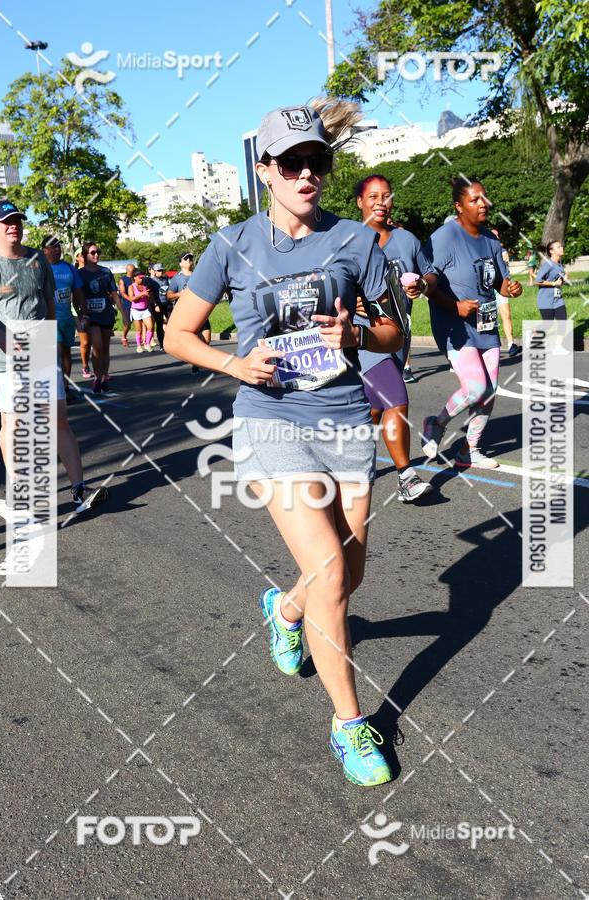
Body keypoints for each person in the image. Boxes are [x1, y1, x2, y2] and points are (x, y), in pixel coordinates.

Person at [165, 102, 406, 787]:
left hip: (342, 418)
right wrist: (234, 365)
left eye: (317, 162)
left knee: (347, 578)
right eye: (292, 163)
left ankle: (286, 608)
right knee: (331, 571)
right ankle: (349, 727)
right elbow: (177, 334)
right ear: (265, 170)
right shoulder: (230, 245)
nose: (307, 174)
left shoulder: (358, 242)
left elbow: (395, 332)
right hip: (270, 418)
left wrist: (359, 336)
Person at [0, 200, 107, 511]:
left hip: (40, 346)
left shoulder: (38, 259)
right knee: (13, 420)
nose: (13, 225)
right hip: (5, 353)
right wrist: (1, 336)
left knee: (58, 419)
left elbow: (49, 303)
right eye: (5, 222)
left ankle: (80, 490)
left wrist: (51, 338)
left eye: (17, 220)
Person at [421, 177, 523, 469]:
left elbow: (499, 283)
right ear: (458, 206)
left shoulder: (490, 239)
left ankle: (469, 450)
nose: (483, 204)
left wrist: (510, 289)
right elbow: (429, 283)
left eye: (484, 198)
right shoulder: (444, 237)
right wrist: (454, 305)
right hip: (454, 326)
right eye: (475, 200)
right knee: (476, 387)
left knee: (490, 391)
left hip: (485, 324)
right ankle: (436, 424)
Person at [354, 174, 434, 502]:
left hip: (399, 336)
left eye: (386, 196)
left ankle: (349, 458)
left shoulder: (407, 240)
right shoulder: (349, 241)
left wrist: (423, 286)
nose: (380, 203)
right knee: (396, 397)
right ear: (360, 202)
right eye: (373, 196)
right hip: (365, 337)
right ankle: (406, 477)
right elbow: (328, 282)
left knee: (373, 409)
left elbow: (430, 273)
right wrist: (349, 299)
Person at [41, 235, 89, 404]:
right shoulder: (39, 267)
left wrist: (83, 314)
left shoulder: (69, 267)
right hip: (47, 319)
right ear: (44, 250)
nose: (57, 249)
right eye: (53, 247)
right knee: (57, 354)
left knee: (66, 354)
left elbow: (78, 291)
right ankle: (55, 390)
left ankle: (65, 388)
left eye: (58, 246)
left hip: (67, 318)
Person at [77, 243, 119, 393]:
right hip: (91, 316)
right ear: (85, 255)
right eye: (93, 252)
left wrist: (123, 313)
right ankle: (97, 377)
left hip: (106, 314)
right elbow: (76, 295)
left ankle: (103, 379)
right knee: (97, 346)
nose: (96, 255)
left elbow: (113, 293)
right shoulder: (80, 274)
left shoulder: (106, 272)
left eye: (97, 252)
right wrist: (80, 314)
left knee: (105, 348)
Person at [168, 252, 210, 371]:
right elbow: (169, 295)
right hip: (188, 313)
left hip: (202, 310)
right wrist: (180, 294)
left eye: (190, 258)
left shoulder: (198, 275)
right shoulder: (177, 278)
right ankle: (195, 362)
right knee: (195, 339)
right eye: (185, 259)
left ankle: (197, 361)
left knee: (206, 340)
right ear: (180, 263)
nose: (188, 260)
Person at [534, 241, 570, 354]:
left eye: (561, 246)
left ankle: (558, 347)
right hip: (545, 300)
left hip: (558, 299)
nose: (562, 248)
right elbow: (537, 281)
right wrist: (554, 284)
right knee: (548, 323)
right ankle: (533, 333)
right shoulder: (548, 264)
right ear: (552, 251)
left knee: (562, 321)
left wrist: (564, 279)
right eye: (558, 247)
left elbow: (557, 280)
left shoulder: (559, 263)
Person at [490, 228, 521, 357]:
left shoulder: (503, 252)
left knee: (506, 314)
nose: (497, 237)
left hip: (502, 287)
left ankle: (511, 344)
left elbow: (505, 272)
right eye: (494, 235)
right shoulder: (481, 251)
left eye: (498, 235)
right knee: (490, 320)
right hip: (489, 290)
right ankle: (490, 347)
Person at [74, 246, 93, 378]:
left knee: (96, 342)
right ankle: (85, 366)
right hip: (78, 312)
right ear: (77, 257)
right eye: (82, 254)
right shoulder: (75, 272)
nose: (85, 256)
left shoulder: (95, 271)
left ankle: (101, 370)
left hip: (94, 310)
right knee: (85, 342)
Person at [128, 269, 154, 353]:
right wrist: (142, 294)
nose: (141, 279)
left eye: (142, 278)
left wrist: (148, 295)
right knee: (139, 330)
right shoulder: (131, 287)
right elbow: (131, 299)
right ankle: (139, 346)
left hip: (145, 309)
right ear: (134, 277)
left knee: (150, 326)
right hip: (136, 310)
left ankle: (147, 343)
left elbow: (148, 297)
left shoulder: (144, 286)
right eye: (140, 278)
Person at [146, 262, 169, 351]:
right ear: (154, 271)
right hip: (157, 304)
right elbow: (150, 294)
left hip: (166, 303)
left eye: (161, 270)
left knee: (169, 322)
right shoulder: (151, 281)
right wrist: (155, 304)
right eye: (159, 271)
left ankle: (169, 341)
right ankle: (161, 344)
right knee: (159, 324)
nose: (160, 272)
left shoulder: (165, 279)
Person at [117, 262, 135, 347]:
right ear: (128, 271)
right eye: (133, 270)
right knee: (127, 324)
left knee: (140, 322)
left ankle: (144, 340)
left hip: (137, 304)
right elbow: (123, 293)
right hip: (126, 304)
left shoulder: (135, 278)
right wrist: (131, 299)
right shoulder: (123, 279)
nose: (134, 271)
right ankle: (124, 337)